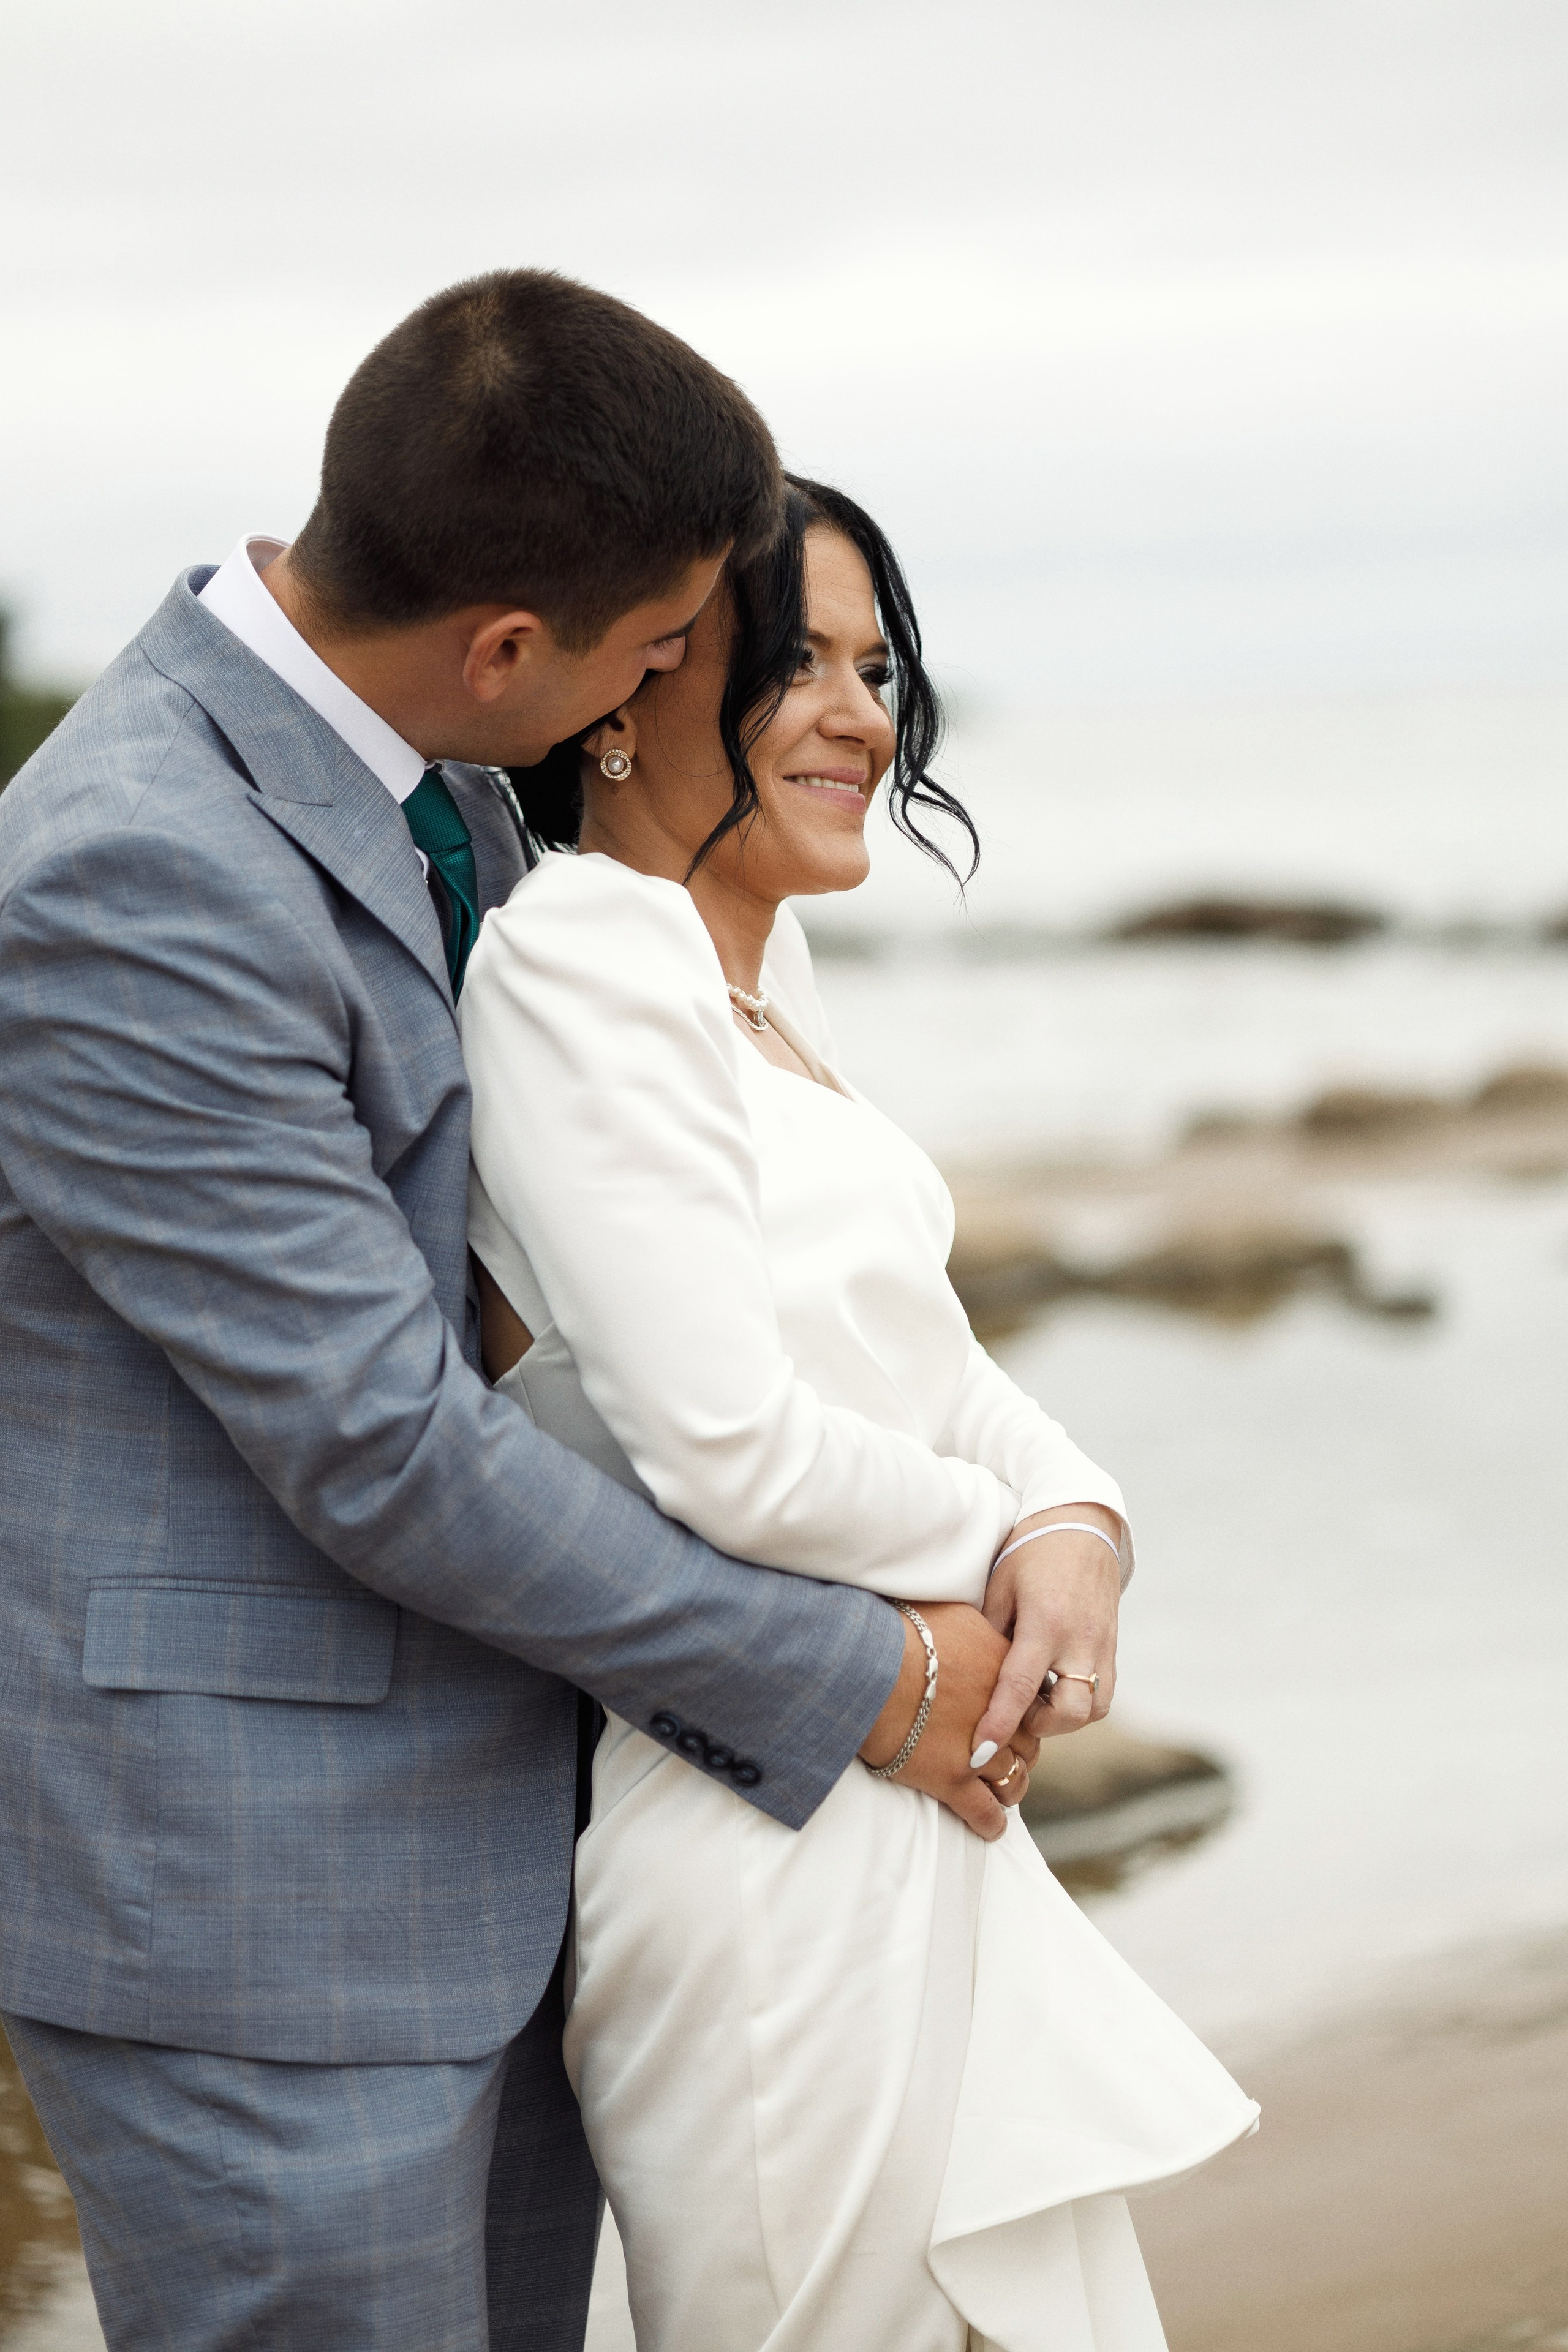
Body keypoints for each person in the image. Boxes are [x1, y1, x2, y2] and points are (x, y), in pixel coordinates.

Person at [0, 273, 1054, 2352]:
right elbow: (383, 1441)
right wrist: (861, 1673)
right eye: (666, 647)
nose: (662, 693)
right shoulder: (129, 872)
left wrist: (1047, 1506)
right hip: (260, 1916)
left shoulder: (460, 787)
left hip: (527, 1846)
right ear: (507, 643)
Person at [461, 479, 1259, 2352]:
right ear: (625, 692)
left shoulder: (762, 977)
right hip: (763, 1845)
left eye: (878, 666)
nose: (864, 715)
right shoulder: (586, 955)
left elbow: (929, 1361)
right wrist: (995, 1559)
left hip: (909, 1799)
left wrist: (1075, 1519)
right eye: (794, 660)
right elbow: (721, 1444)